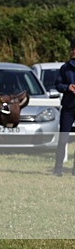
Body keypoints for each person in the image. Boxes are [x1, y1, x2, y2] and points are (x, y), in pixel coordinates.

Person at [52, 37, 75, 177]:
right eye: (71, 49)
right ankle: (58, 168)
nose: (72, 51)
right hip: (68, 108)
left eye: (74, 49)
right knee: (63, 139)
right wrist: (68, 87)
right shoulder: (65, 68)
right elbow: (58, 85)